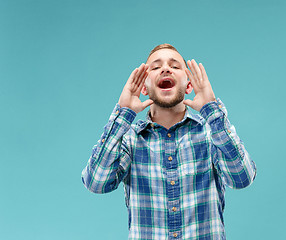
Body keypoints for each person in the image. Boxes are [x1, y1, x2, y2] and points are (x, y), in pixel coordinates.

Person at [81, 44, 257, 239]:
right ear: (144, 88)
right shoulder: (130, 139)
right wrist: (123, 113)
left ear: (189, 85)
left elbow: (242, 178)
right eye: (155, 67)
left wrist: (211, 110)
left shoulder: (211, 133)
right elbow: (96, 183)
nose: (165, 69)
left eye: (174, 66)